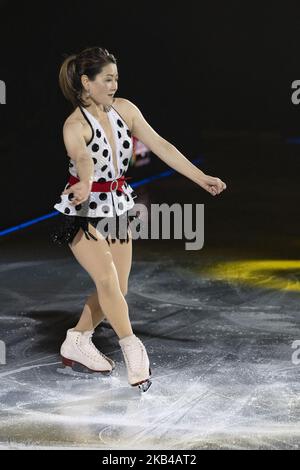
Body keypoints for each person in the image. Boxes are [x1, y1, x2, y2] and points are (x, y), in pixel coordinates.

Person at [51, 46, 227, 392]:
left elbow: (161, 145)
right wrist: (85, 183)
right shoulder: (74, 125)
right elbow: (83, 159)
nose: (114, 85)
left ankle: (77, 339)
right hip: (85, 211)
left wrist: (200, 176)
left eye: (116, 78)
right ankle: (133, 350)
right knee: (106, 280)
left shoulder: (125, 110)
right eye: (107, 79)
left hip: (118, 206)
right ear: (86, 83)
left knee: (120, 287)